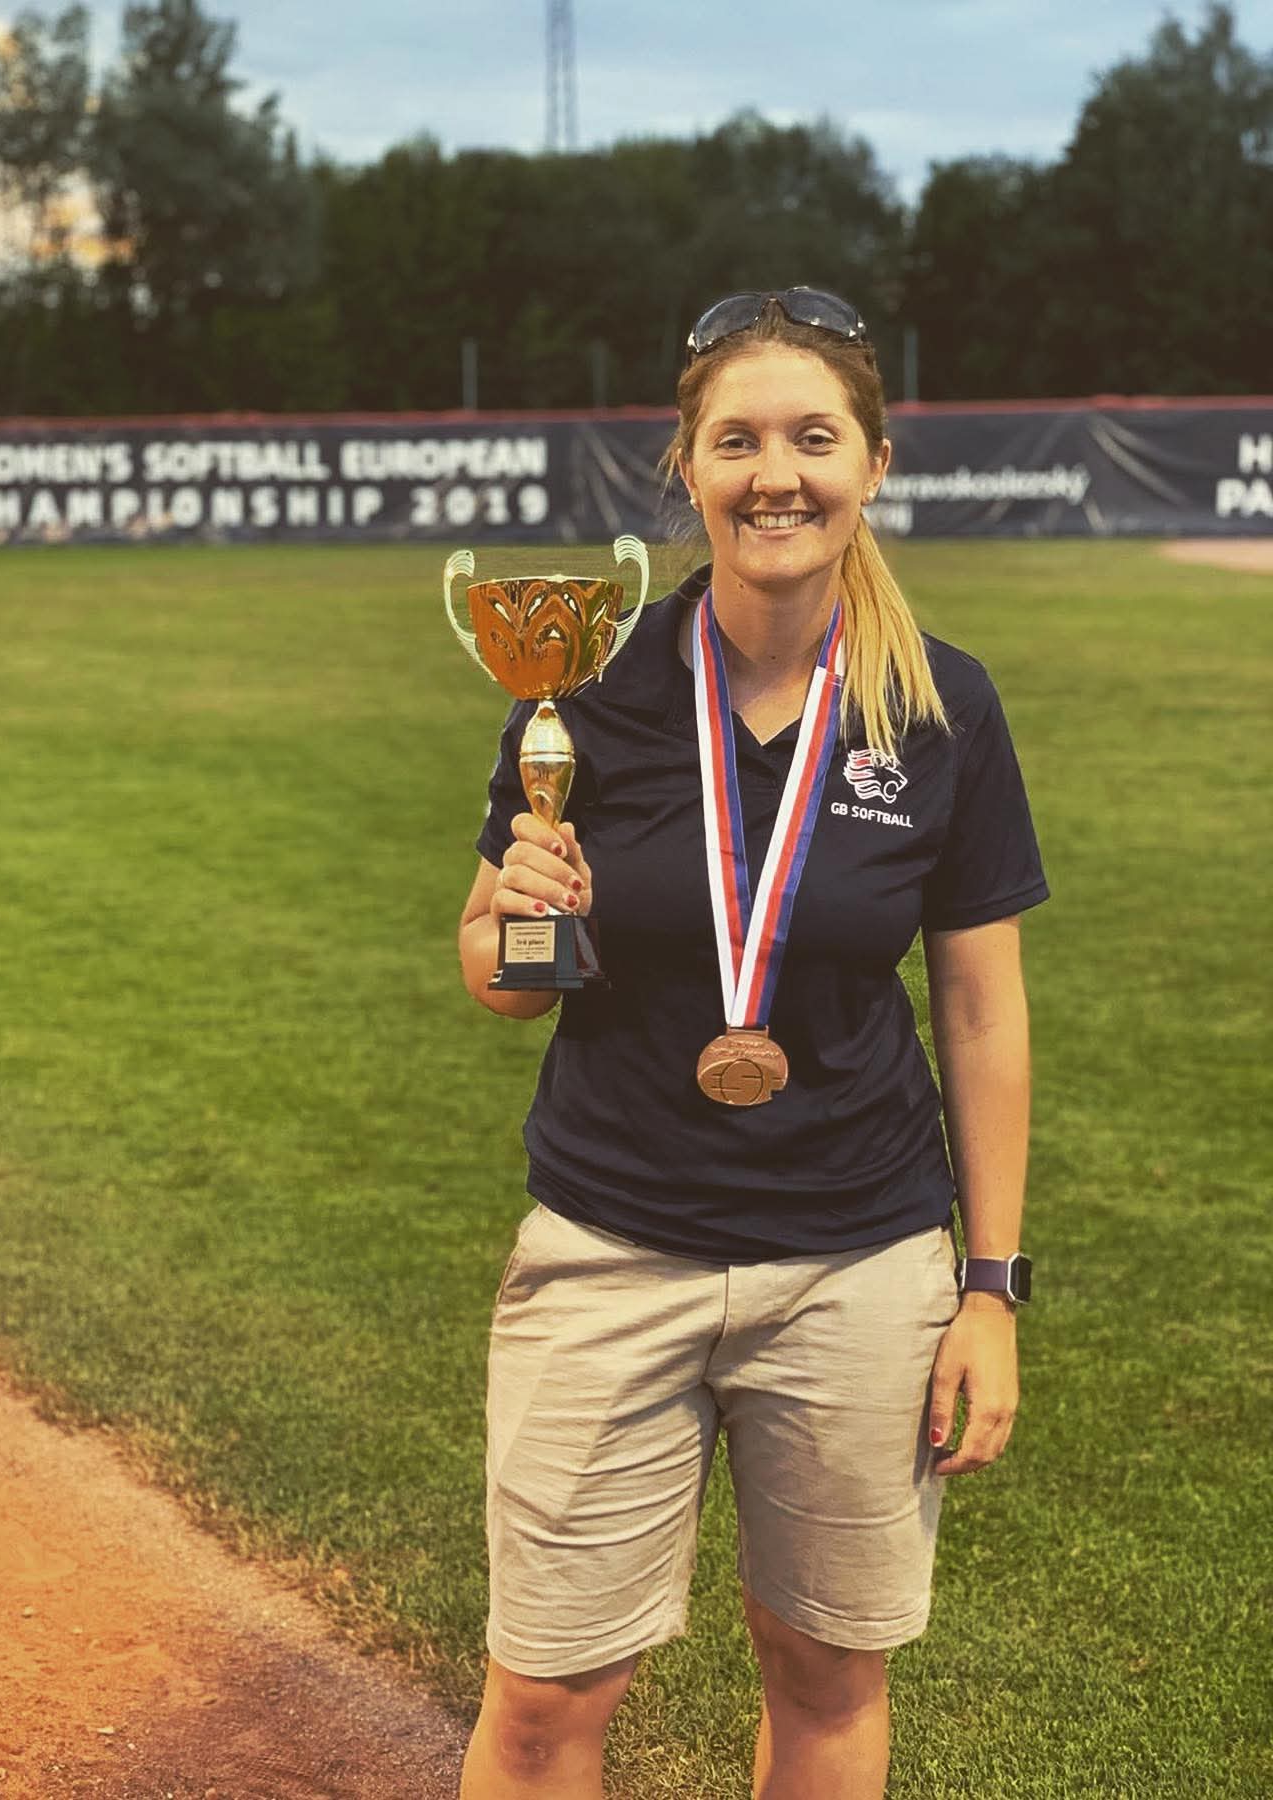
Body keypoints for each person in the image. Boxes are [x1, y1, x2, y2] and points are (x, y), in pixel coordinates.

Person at [455, 287, 1048, 1800]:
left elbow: (982, 1007)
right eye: (737, 441)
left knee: (828, 1681)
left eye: (811, 438)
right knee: (542, 1700)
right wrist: (527, 913)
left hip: (859, 1263)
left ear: (872, 463)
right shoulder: (581, 693)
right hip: (611, 1248)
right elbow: (501, 979)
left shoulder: (941, 709)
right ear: (687, 467)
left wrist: (991, 1289)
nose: (774, 474)